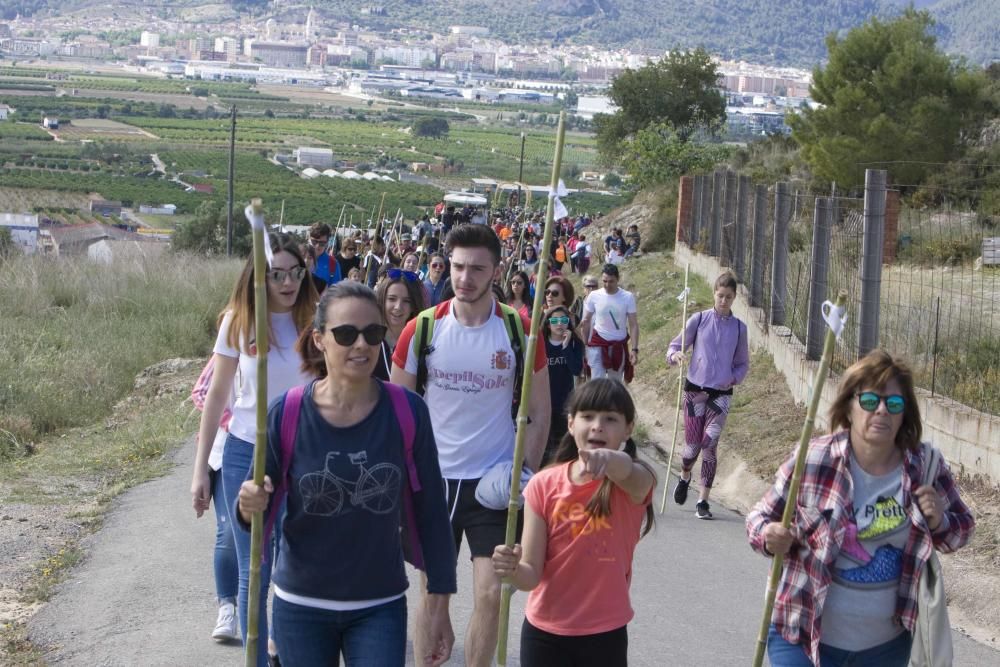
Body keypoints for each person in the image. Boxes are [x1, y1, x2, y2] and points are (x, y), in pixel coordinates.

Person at [238, 281, 457, 667]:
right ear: (320, 339)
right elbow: (257, 514)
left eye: (372, 334)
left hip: (380, 604)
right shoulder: (285, 413)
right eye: (346, 334)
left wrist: (439, 602)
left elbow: (432, 514)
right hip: (300, 605)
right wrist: (247, 505)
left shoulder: (407, 412)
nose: (361, 345)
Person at [746, 350, 975, 667]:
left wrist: (939, 521)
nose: (881, 411)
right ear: (849, 408)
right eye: (870, 401)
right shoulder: (813, 459)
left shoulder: (925, 468)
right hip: (800, 632)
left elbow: (961, 531)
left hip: (884, 649)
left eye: (893, 404)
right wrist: (768, 534)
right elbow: (758, 518)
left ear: (904, 414)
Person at [391, 224, 551, 667]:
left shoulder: (521, 331)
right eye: (458, 267)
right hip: (434, 481)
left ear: (496, 270)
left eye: (477, 268)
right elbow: (398, 413)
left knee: (491, 594)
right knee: (433, 597)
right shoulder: (421, 329)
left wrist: (525, 475)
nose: (465, 277)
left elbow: (539, 412)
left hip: (494, 484)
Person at [190, 233, 318, 666]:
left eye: (294, 273)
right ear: (258, 278)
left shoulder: (316, 321)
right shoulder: (239, 322)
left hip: (304, 452)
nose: (287, 283)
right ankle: (256, 659)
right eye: (275, 274)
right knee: (255, 569)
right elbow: (217, 397)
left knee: (294, 563)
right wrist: (200, 470)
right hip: (247, 452)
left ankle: (284, 647)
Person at [492, 379, 656, 667]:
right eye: (588, 416)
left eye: (611, 419)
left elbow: (630, 472)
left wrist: (606, 458)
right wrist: (513, 569)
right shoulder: (543, 484)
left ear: (629, 428)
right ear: (570, 424)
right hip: (544, 633)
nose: (597, 426)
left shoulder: (634, 483)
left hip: (605, 634)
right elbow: (530, 575)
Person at [666, 270, 749, 519]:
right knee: (692, 448)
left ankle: (703, 501)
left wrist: (733, 378)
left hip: (720, 394)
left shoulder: (739, 328)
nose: (723, 301)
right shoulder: (699, 319)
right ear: (714, 293)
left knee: (710, 443)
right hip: (695, 391)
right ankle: (684, 475)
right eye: (720, 295)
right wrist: (675, 355)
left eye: (729, 297)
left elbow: (743, 363)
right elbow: (675, 345)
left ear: (734, 298)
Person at [189, 358, 239, 643]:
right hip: (227, 450)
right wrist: (233, 420)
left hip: (280, 446)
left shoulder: (296, 332)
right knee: (230, 532)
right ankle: (227, 607)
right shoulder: (237, 333)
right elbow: (202, 391)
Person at [540, 305, 584, 466]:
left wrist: (566, 347)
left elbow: (576, 369)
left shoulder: (574, 343)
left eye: (564, 320)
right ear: (548, 324)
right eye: (555, 321)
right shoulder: (541, 343)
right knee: (545, 443)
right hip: (544, 400)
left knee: (562, 444)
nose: (560, 324)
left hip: (565, 401)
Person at [580, 264, 638, 383]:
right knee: (597, 383)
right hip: (597, 344)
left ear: (618, 279)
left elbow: (633, 325)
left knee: (615, 384)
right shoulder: (594, 296)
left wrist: (634, 349)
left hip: (618, 345)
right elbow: (586, 322)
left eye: (611, 281)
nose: (607, 285)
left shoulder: (627, 297)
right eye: (604, 281)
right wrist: (584, 345)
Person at [373, 270, 426, 382]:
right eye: (392, 299)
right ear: (382, 299)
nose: (398, 307)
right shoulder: (369, 337)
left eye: (406, 301)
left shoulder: (421, 342)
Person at [308, 222, 342, 294]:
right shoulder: (297, 258)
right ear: (308, 238)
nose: (317, 246)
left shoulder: (333, 263)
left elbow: (336, 293)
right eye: (314, 242)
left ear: (327, 242)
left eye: (322, 243)